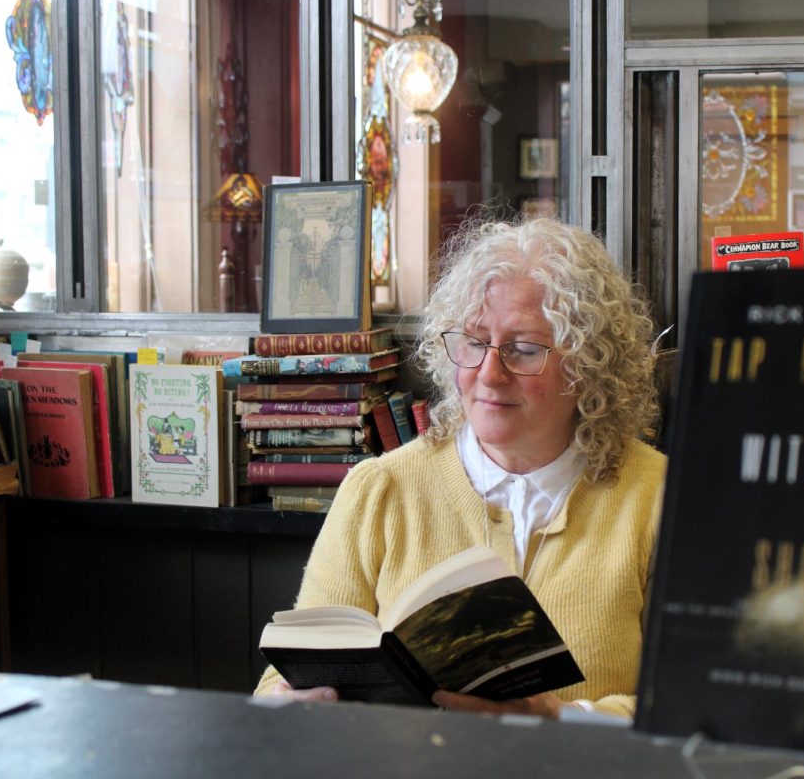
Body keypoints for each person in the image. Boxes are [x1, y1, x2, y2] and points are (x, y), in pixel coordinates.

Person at [254, 216, 667, 719]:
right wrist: (287, 703)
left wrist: (560, 721)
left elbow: (689, 711)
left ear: (588, 364)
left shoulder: (662, 499)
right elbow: (282, 681)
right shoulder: (380, 490)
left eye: (524, 349)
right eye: (473, 342)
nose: (489, 374)